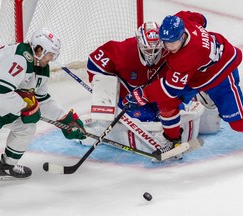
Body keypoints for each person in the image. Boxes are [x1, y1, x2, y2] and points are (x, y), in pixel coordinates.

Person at [0, 28, 86, 180]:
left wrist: (65, 119)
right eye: (49, 54)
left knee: (26, 127)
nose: (51, 58)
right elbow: (1, 94)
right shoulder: (20, 58)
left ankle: (6, 167)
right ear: (39, 49)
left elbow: (42, 100)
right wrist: (26, 107)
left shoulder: (41, 69)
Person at [128, 10, 243, 153]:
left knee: (239, 124)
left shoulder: (186, 58)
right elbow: (201, 19)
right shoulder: (182, 18)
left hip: (221, 73)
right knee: (166, 102)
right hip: (198, 73)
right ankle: (173, 142)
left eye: (173, 43)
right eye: (166, 43)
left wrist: (144, 94)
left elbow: (170, 88)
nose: (169, 47)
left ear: (182, 35)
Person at [86, 21, 205, 156]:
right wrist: (106, 90)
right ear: (139, 43)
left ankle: (173, 143)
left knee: (174, 112)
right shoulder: (123, 50)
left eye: (157, 49)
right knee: (145, 118)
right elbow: (94, 64)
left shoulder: (172, 50)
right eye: (148, 50)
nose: (152, 55)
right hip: (132, 98)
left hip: (159, 94)